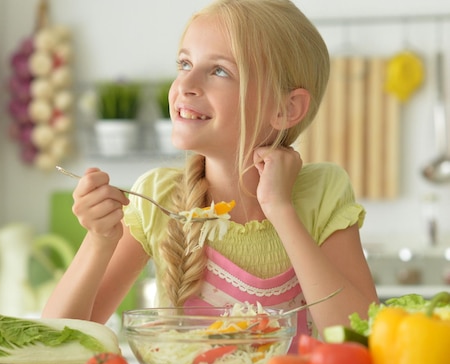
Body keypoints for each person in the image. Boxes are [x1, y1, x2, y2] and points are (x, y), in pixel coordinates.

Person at [42, 0, 379, 344]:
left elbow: (360, 338)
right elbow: (57, 341)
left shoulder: (322, 192)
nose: (185, 84)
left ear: (286, 108)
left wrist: (281, 209)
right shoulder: (156, 197)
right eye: (185, 63)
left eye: (219, 71)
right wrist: (100, 240)